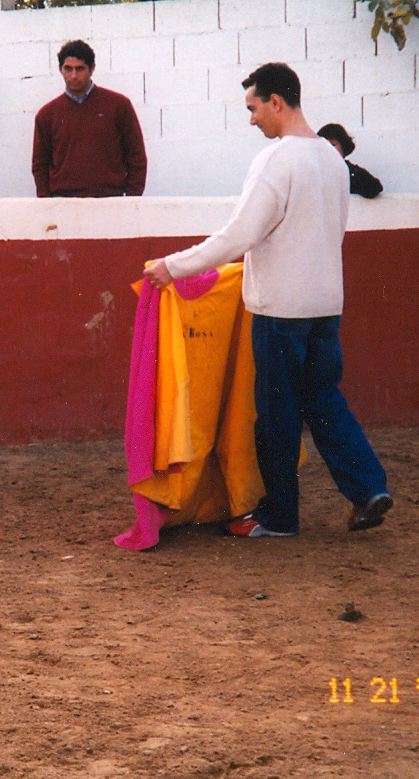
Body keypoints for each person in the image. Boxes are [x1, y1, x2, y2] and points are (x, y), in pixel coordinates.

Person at [143, 62, 392, 538]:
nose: (252, 119)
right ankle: (368, 488)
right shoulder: (332, 162)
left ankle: (280, 515)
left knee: (277, 414)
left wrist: (171, 267)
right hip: (326, 305)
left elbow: (239, 234)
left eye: (254, 108)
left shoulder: (277, 161)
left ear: (276, 101)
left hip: (281, 311)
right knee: (324, 401)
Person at [31, 40, 147, 198]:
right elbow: (40, 165)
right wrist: (46, 203)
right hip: (63, 203)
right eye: (68, 69)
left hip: (110, 200)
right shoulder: (47, 115)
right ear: (60, 69)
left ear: (92, 68)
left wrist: (132, 199)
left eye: (80, 69)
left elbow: (136, 156)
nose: (73, 75)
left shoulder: (119, 105)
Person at [317, 123, 383, 198]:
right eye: (324, 144)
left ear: (344, 147)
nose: (328, 149)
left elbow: (374, 189)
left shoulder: (352, 171)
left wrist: (353, 175)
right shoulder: (314, 171)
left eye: (333, 144)